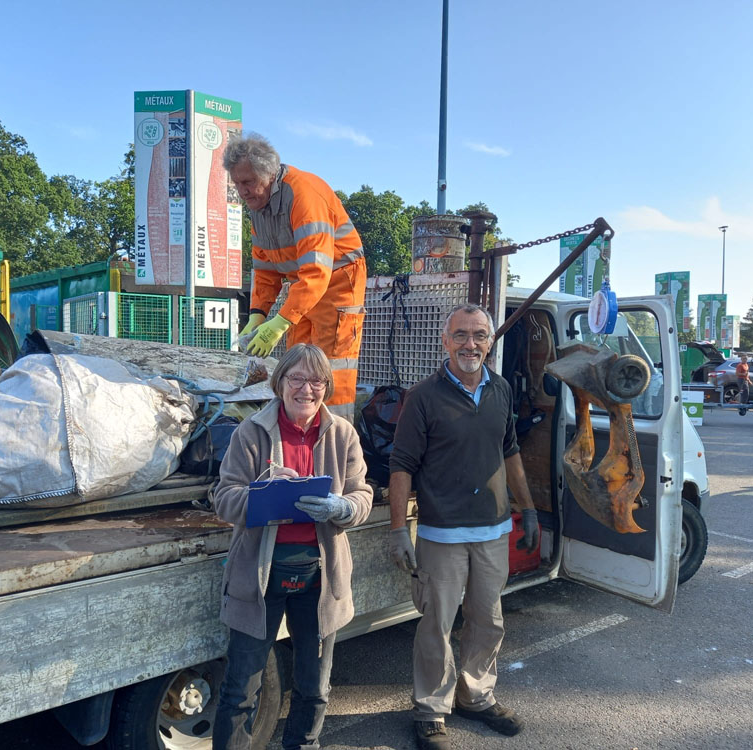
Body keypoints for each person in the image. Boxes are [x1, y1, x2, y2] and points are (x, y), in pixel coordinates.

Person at [386, 304, 540, 750]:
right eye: (460, 335)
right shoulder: (424, 397)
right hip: (442, 535)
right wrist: (400, 529)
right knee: (437, 624)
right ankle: (432, 709)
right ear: (444, 341)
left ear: (490, 341)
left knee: (488, 620)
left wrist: (527, 510)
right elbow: (401, 465)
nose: (470, 344)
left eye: (478, 335)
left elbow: (509, 450)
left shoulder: (501, 389)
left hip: (492, 532)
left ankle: (476, 695)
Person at [212, 343, 373, 750]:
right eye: (297, 378)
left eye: (317, 380)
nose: (307, 389)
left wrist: (342, 506)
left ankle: (303, 745)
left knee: (315, 685)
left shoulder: (343, 434)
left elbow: (362, 496)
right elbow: (223, 499)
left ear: (326, 387)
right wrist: (265, 494)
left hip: (320, 577)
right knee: (241, 690)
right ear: (279, 382)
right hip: (259, 577)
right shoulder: (251, 434)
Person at [223, 134, 367, 422]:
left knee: (330, 371)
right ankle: (299, 444)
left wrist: (282, 320)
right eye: (237, 183)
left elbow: (317, 269)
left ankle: (336, 447)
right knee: (297, 369)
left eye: (247, 182)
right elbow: (264, 269)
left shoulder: (304, 195)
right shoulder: (259, 208)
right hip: (304, 287)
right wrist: (258, 315)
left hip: (339, 283)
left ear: (268, 174)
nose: (242, 191)